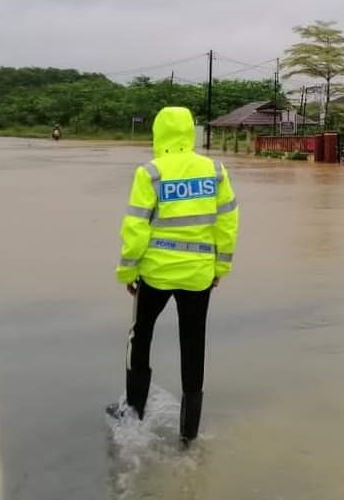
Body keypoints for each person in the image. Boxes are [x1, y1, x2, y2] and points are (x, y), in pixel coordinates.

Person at [106, 106, 239, 446]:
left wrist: (128, 270)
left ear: (158, 133)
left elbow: (135, 227)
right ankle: (189, 432)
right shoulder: (215, 170)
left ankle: (133, 414)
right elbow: (227, 223)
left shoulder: (149, 172)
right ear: (190, 132)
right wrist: (220, 267)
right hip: (198, 276)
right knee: (194, 343)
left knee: (141, 336)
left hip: (155, 274)